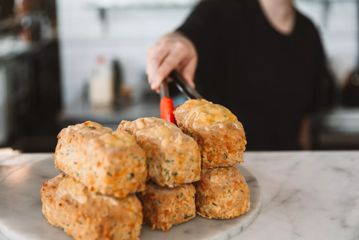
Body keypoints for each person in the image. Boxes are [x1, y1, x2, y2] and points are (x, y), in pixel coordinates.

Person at [146, 0, 335, 150]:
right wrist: (174, 42)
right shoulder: (219, 11)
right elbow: (187, 36)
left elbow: (304, 125)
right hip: (230, 174)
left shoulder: (309, 32)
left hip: (288, 174)